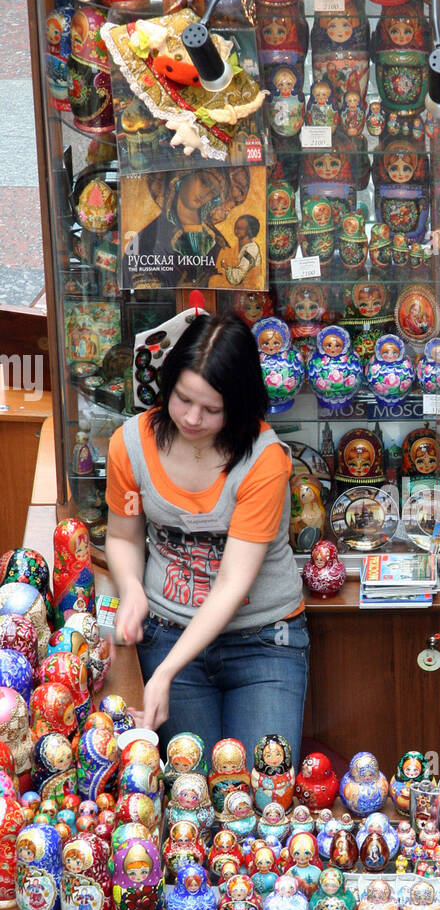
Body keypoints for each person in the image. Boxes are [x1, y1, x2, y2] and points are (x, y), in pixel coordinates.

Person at [105, 314, 308, 770]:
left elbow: (233, 583)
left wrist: (165, 676)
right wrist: (132, 589)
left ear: (238, 405)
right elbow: (122, 536)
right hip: (167, 630)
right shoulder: (131, 446)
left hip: (263, 642)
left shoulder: (263, 461)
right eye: (182, 400)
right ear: (167, 383)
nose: (192, 419)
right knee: (191, 792)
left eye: (212, 410)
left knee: (260, 793)